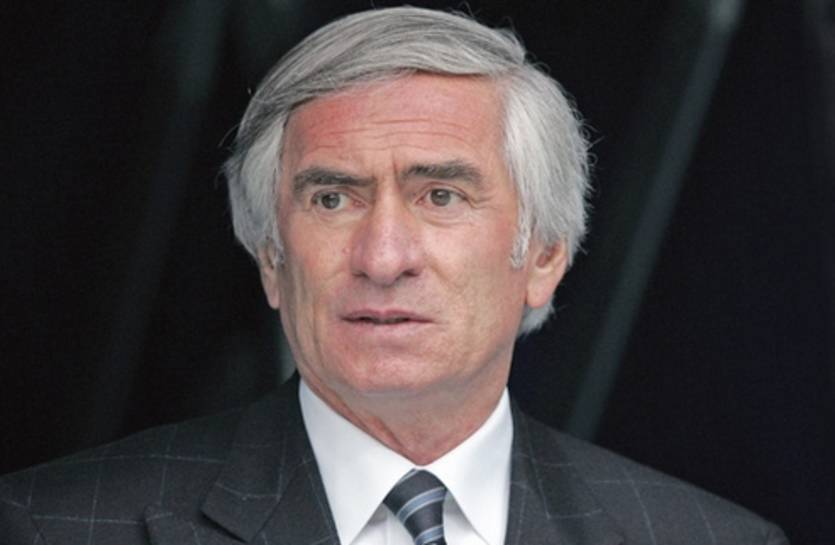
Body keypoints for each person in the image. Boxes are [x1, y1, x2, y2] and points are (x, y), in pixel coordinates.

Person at [0, 7, 788, 544]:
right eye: (332, 198)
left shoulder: (710, 538)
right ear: (271, 258)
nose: (381, 257)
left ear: (544, 254)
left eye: (440, 195)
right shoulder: (53, 527)